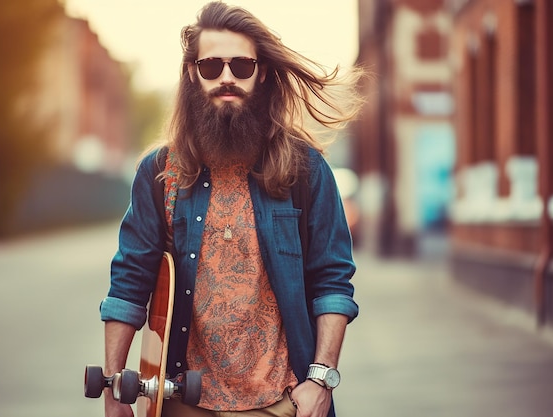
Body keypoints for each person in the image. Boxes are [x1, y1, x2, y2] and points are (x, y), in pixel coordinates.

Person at [100, 2, 362, 416]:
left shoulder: (305, 170)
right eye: (211, 67)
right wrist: (113, 390)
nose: (226, 78)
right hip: (184, 401)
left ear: (261, 74)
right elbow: (129, 282)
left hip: (281, 402)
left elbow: (333, 280)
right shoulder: (160, 173)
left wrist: (320, 379)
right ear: (191, 74)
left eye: (241, 66)